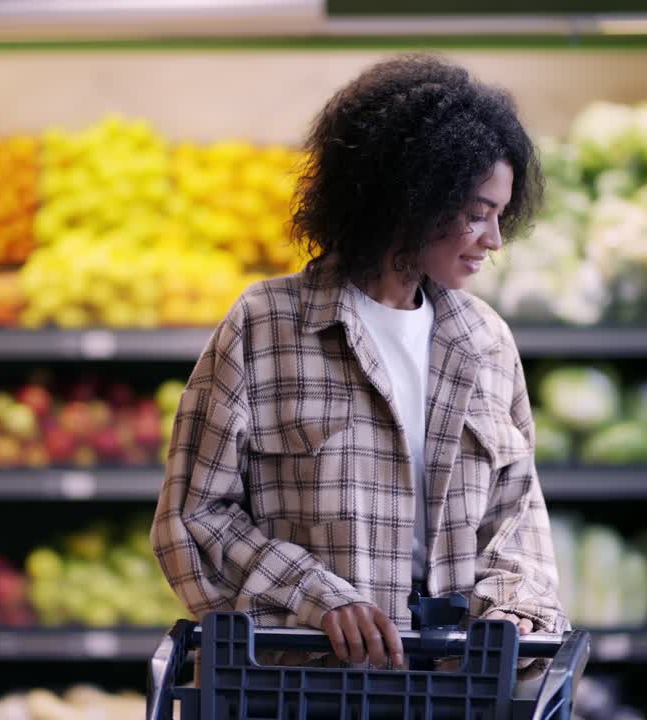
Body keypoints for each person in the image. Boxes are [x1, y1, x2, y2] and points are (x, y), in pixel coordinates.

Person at [151, 54, 566, 670]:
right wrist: (318, 600)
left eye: (501, 215)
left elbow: (518, 514)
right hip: (303, 690)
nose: (495, 239)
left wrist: (514, 607)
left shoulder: (487, 344)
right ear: (411, 196)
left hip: (453, 694)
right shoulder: (266, 327)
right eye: (478, 213)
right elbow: (195, 516)